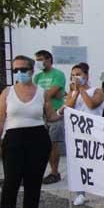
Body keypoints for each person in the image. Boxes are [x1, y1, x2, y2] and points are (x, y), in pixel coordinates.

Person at [0, 55, 61, 208]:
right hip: (13, 139)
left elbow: (51, 116)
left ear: (31, 70)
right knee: (11, 183)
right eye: (15, 70)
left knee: (33, 182)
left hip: (37, 138)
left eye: (23, 69)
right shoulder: (7, 93)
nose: (19, 73)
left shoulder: (41, 92)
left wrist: (65, 111)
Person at [63, 63, 104, 206]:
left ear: (86, 75)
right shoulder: (72, 92)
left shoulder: (97, 90)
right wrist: (74, 93)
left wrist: (81, 89)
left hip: (94, 132)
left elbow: (92, 105)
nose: (76, 77)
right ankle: (80, 193)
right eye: (73, 75)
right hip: (77, 132)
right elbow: (68, 108)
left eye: (79, 74)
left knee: (98, 161)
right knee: (78, 163)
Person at [34, 50, 66, 184]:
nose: (38, 62)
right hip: (39, 114)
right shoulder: (37, 77)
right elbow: (36, 94)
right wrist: (50, 93)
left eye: (40, 59)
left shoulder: (58, 74)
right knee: (40, 145)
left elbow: (51, 93)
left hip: (55, 112)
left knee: (53, 143)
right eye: (36, 59)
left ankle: (54, 172)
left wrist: (50, 93)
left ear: (48, 60)